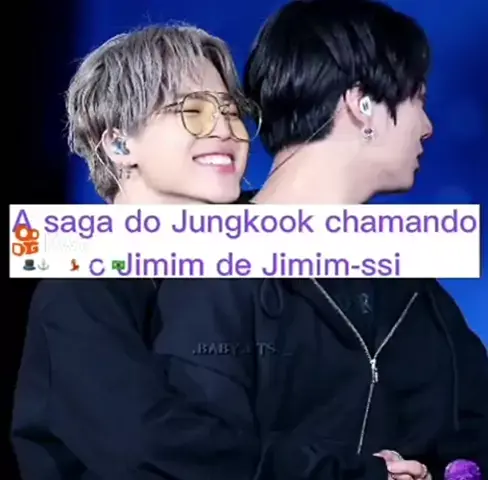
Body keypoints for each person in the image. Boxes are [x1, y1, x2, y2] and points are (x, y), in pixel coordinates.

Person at [148, 1, 487, 479]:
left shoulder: (411, 282)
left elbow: (473, 426)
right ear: (362, 104)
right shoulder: (212, 262)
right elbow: (199, 455)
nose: (428, 127)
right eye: (418, 99)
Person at [11, 24, 261, 479]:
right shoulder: (78, 290)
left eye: (230, 111)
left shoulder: (248, 255)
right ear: (120, 143)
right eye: (195, 111)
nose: (226, 129)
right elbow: (151, 450)